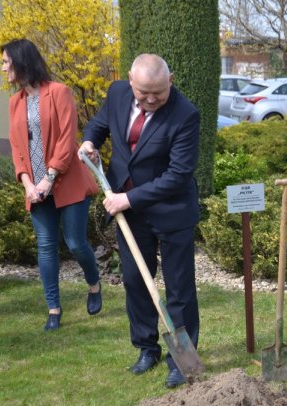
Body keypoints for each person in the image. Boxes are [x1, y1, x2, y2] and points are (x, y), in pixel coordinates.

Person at [79, 54, 201, 388]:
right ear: (130, 81)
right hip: (129, 212)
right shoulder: (118, 93)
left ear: (171, 80)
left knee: (179, 288)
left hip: (171, 209)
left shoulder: (185, 115)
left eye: (158, 93)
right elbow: (101, 124)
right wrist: (91, 141)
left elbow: (178, 175)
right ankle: (147, 348)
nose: (150, 100)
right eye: (143, 93)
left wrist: (128, 198)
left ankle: (182, 358)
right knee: (134, 280)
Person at [1, 39, 103, 331]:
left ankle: (94, 284)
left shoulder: (59, 93)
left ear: (22, 62)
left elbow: (66, 140)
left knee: (75, 243)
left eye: (6, 61)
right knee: (46, 248)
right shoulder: (14, 103)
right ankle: (54, 310)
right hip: (36, 189)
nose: (4, 67)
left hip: (67, 183)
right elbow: (17, 147)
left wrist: (49, 177)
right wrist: (27, 184)